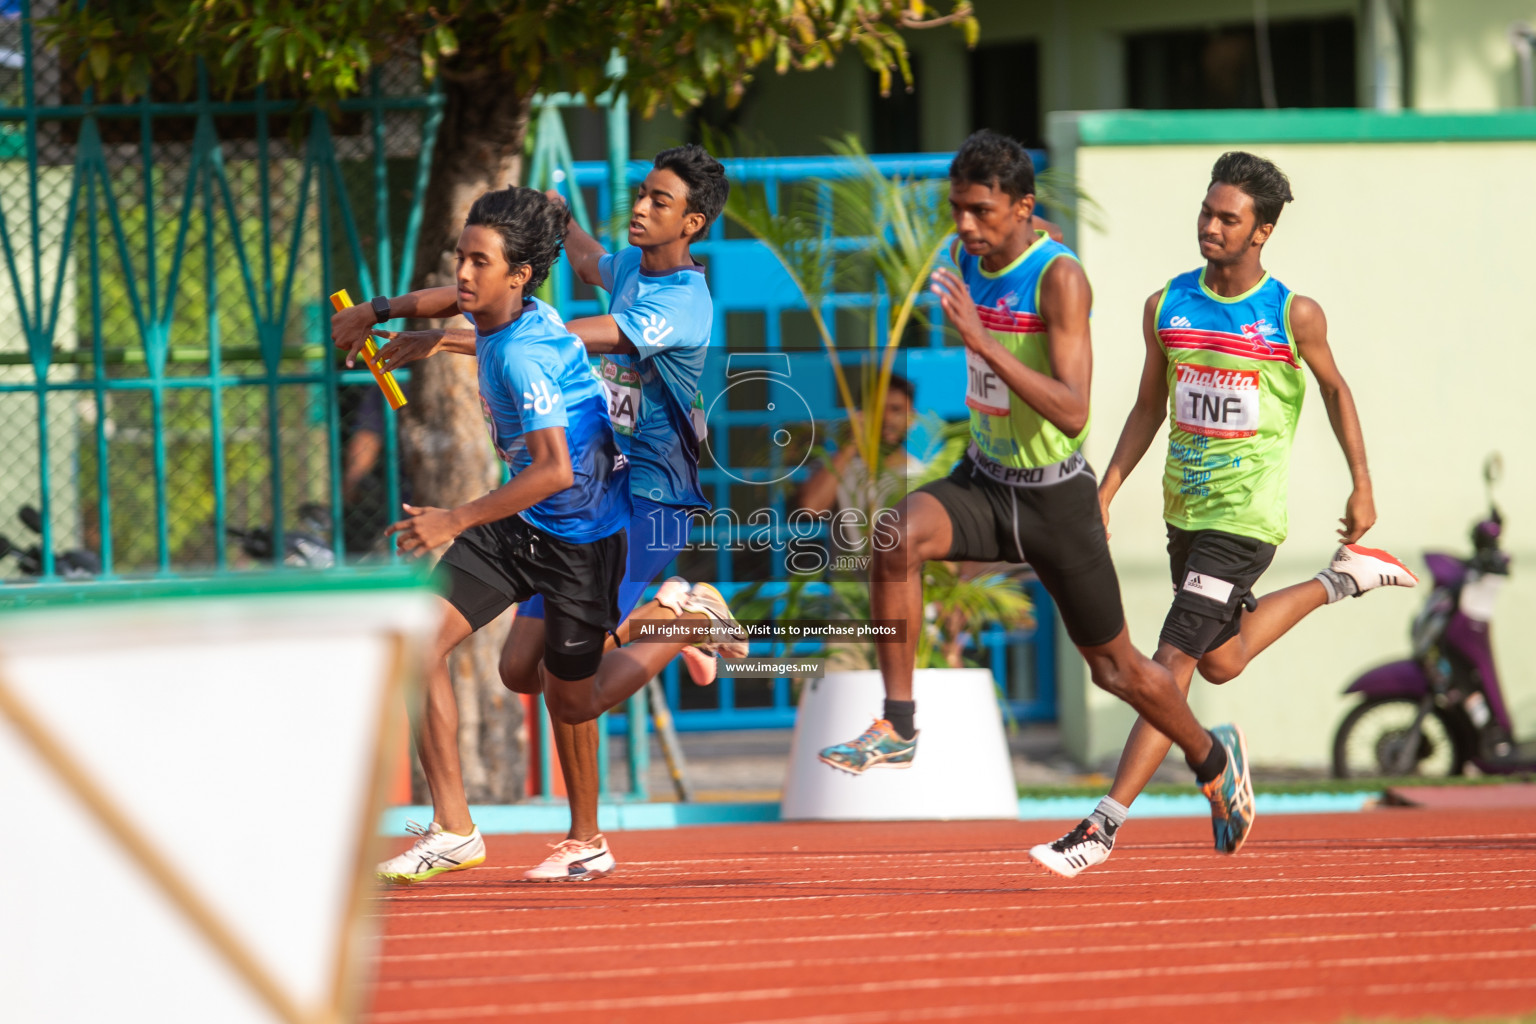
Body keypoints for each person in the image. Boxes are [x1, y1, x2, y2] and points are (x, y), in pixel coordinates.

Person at [817, 130, 1257, 856]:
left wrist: (982, 339)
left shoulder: (1060, 280)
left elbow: (1074, 409)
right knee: (894, 536)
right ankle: (898, 724)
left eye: (982, 210)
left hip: (1057, 502)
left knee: (1117, 669)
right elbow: (1007, 243)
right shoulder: (970, 255)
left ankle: (1212, 759)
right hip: (987, 482)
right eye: (957, 208)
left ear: (1020, 206)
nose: (964, 225)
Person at [332, 185, 744, 884]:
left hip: (583, 538)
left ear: (517, 276)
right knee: (447, 651)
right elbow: (454, 303)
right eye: (461, 257)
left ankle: (591, 831)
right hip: (523, 526)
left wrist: (454, 519)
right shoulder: (508, 315)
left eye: (478, 263)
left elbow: (554, 470)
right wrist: (389, 316)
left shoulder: (530, 350)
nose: (463, 274)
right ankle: (454, 828)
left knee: (569, 697)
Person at [1028, 152, 1416, 878]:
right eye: (1206, 212)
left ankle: (1102, 827)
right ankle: (1344, 580)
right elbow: (1150, 406)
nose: (1210, 226)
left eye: (1227, 218)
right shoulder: (1166, 304)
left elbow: (1337, 393)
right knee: (1222, 660)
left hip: (1245, 518)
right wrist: (1105, 490)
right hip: (1187, 511)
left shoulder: (1291, 313)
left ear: (1261, 231)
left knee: (1166, 666)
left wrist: (1362, 485)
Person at [795, 373, 922, 519]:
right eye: (876, 410)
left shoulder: (920, 475)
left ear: (911, 418)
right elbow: (812, 508)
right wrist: (850, 444)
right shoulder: (838, 465)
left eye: (896, 410)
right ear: (861, 414)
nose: (887, 419)